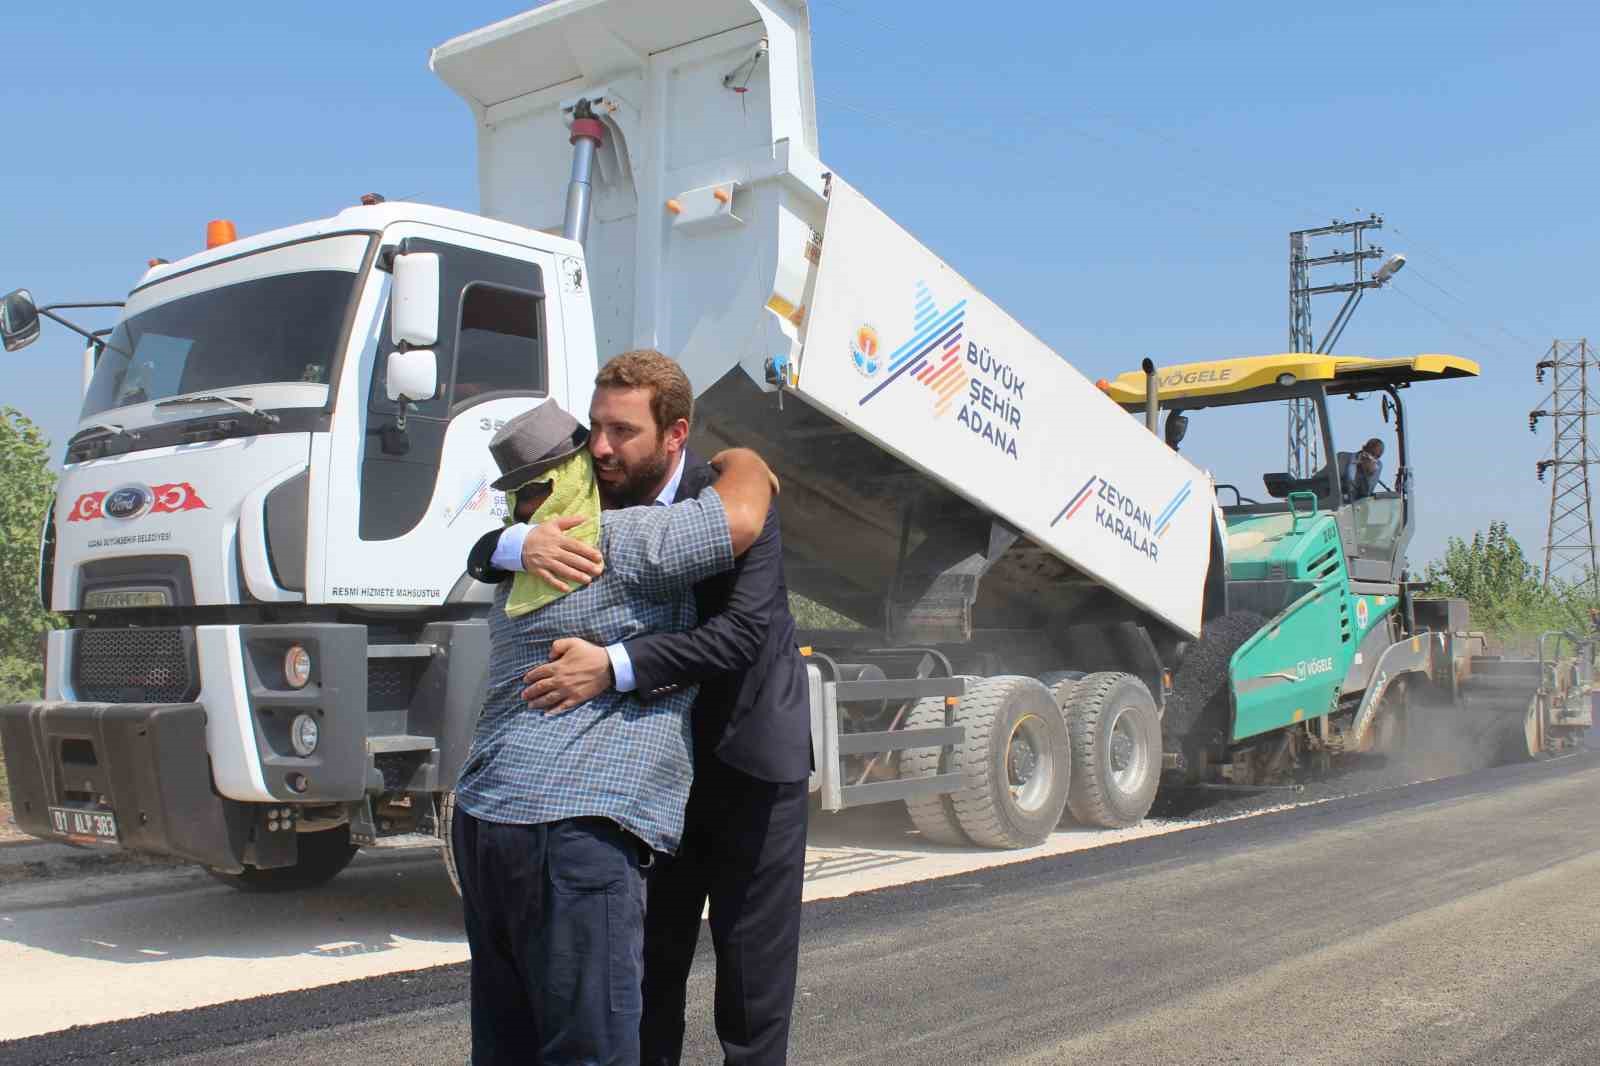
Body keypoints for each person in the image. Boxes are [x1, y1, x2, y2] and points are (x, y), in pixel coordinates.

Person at [467, 350, 812, 1065]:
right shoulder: (598, 502)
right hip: (651, 782)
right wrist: (512, 542)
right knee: (646, 974)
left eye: (621, 431)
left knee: (750, 987)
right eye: (594, 427)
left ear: (676, 435)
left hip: (748, 759)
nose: (600, 447)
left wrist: (612, 668)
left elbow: (742, 634)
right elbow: (492, 535)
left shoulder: (729, 501)